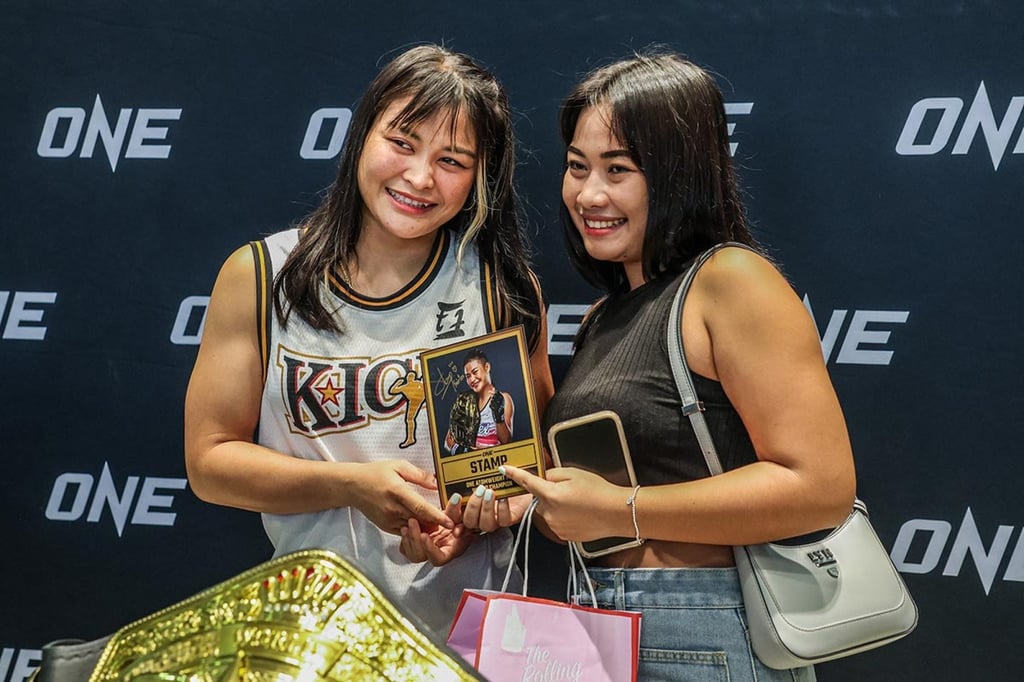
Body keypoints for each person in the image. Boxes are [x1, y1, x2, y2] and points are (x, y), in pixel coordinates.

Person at [499, 51, 856, 681]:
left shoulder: (731, 282)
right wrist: (517, 506)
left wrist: (622, 508)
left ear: (679, 175)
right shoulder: (602, 316)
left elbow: (820, 488)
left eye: (619, 169)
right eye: (577, 168)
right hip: (595, 617)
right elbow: (594, 506)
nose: (590, 194)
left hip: (705, 620)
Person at [183, 44, 554, 637]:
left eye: (452, 160)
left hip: (470, 640)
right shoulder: (261, 275)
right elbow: (210, 462)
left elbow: (535, 465)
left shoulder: (501, 287)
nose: (419, 176)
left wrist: (480, 518)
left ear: (480, 177)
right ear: (361, 136)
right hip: (309, 633)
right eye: (402, 143)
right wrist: (351, 486)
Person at [445, 348, 515, 455]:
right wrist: (466, 451)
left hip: (498, 463)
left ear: (487, 367)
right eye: (468, 376)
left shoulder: (504, 398)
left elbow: (507, 441)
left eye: (475, 372)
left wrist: (498, 418)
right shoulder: (464, 402)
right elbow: (448, 441)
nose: (472, 379)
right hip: (472, 466)